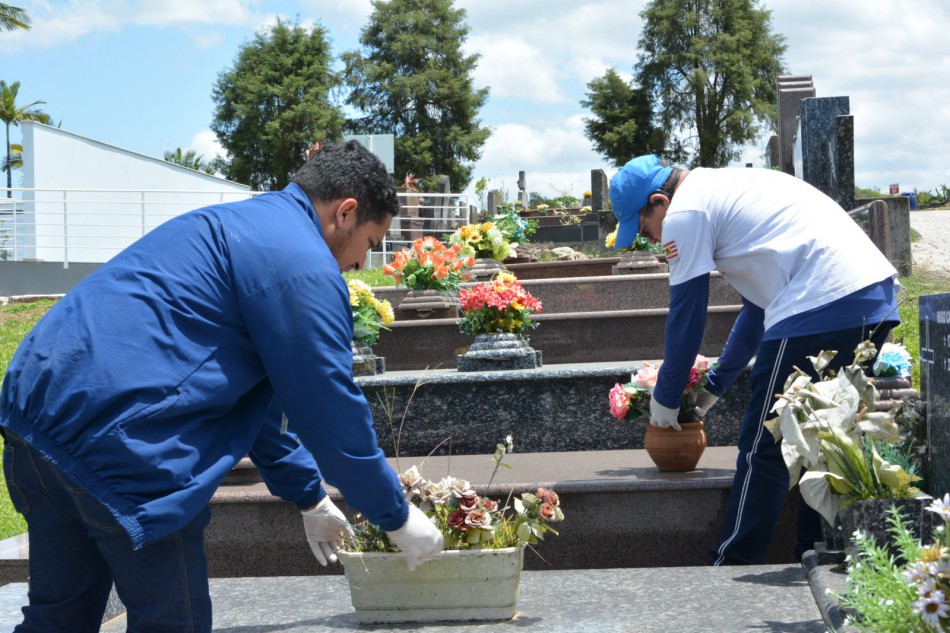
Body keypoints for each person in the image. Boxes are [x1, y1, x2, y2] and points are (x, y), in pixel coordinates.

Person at [0, 140, 444, 632]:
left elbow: (257, 404)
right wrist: (395, 515)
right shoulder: (303, 266)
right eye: (372, 243)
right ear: (346, 212)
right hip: (128, 447)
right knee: (174, 623)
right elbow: (329, 408)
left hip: (34, 421)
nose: (362, 264)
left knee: (57, 619)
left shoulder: (233, 225)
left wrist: (309, 497)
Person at [610, 154, 899, 565]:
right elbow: (756, 311)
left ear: (659, 201)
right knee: (826, 439)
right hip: (871, 297)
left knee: (766, 442)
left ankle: (733, 561)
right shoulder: (721, 190)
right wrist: (713, 387)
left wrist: (667, 396)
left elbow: (687, 317)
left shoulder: (684, 212)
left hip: (818, 303)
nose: (653, 241)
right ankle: (815, 552)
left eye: (645, 229)